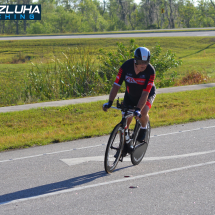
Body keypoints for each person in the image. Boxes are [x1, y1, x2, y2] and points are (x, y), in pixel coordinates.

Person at [102, 47, 156, 150]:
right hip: (130, 95)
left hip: (147, 94)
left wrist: (138, 109)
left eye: (146, 62)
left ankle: (143, 128)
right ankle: (123, 143)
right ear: (135, 60)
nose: (144, 65)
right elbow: (116, 85)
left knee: (143, 112)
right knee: (125, 120)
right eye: (141, 62)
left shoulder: (150, 71)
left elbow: (145, 93)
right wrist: (110, 102)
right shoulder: (126, 66)